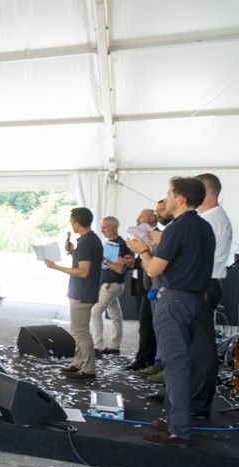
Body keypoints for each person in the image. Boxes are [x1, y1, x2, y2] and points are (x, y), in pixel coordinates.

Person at [126, 177, 214, 447]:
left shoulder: (178, 228)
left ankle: (180, 431)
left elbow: (154, 268)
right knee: (181, 363)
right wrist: (157, 246)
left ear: (180, 198)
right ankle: (176, 418)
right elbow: (182, 259)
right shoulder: (204, 226)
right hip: (196, 299)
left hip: (175, 300)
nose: (165, 199)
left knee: (175, 366)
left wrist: (143, 250)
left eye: (169, 194)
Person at [191, 173, 233, 419]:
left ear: (206, 192)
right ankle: (191, 397)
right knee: (195, 346)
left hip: (204, 285)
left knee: (201, 349)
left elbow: (194, 256)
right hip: (205, 283)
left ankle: (198, 403)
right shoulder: (211, 218)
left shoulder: (211, 220)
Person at [46, 208, 103, 381]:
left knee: (81, 332)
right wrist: (73, 252)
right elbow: (83, 262)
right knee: (79, 331)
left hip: (82, 293)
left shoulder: (87, 242)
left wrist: (55, 267)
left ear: (77, 223)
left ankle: (88, 370)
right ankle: (78, 363)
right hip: (82, 291)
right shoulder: (89, 240)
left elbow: (83, 271)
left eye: (72, 222)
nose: (72, 225)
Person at [90, 217, 131, 355]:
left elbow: (120, 269)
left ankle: (97, 346)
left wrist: (103, 260)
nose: (102, 231)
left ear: (114, 227)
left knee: (95, 311)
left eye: (105, 228)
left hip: (112, 284)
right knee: (116, 316)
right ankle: (114, 346)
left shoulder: (121, 245)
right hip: (108, 283)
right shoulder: (110, 244)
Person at [126, 206, 161, 372]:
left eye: (141, 217)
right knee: (143, 321)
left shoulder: (158, 235)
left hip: (151, 283)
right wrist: (131, 261)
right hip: (138, 282)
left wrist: (140, 257)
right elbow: (139, 259)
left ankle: (144, 358)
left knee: (147, 322)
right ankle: (147, 356)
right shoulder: (137, 235)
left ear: (151, 219)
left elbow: (154, 258)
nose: (137, 219)